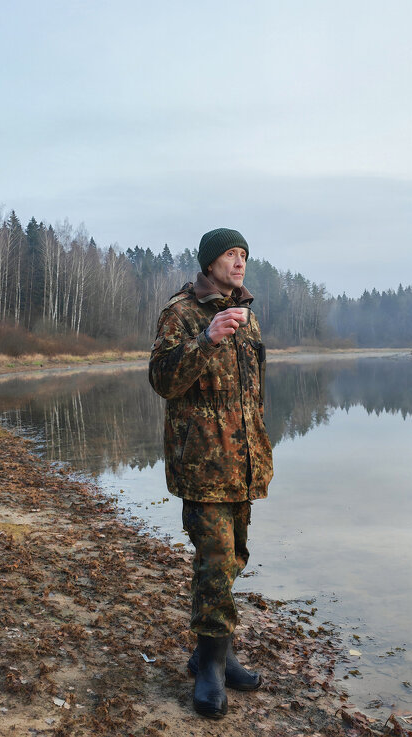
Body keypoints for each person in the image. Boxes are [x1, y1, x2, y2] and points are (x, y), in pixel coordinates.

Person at [148, 227, 274, 719]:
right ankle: (209, 673)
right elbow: (163, 380)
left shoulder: (249, 315)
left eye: (244, 255)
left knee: (234, 556)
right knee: (215, 561)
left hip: (242, 463)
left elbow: (252, 394)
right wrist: (205, 339)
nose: (239, 262)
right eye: (230, 254)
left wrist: (260, 447)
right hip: (202, 464)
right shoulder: (179, 314)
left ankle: (215, 654)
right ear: (208, 262)